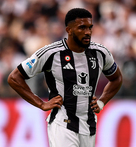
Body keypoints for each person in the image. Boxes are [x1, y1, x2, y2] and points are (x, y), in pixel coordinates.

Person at [7, 8, 122, 147]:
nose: (88, 32)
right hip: (62, 124)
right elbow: (14, 78)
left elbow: (116, 78)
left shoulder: (100, 53)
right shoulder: (51, 53)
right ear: (69, 30)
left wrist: (102, 102)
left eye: (90, 27)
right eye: (82, 28)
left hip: (89, 126)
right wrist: (41, 103)